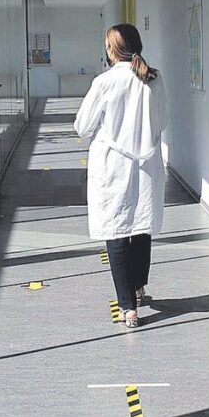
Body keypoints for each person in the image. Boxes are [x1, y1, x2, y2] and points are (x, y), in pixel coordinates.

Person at [74, 23, 166, 329]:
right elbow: (162, 121)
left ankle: (128, 309)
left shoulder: (104, 82)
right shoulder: (154, 78)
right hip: (147, 162)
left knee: (116, 231)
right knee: (141, 226)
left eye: (106, 44)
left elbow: (83, 127)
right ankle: (139, 287)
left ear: (114, 49)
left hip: (112, 165)